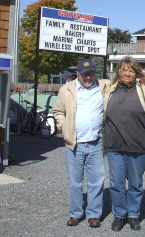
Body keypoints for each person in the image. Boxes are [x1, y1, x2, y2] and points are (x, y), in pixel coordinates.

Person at [103, 56, 145, 231]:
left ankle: (133, 215)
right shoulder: (110, 89)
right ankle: (119, 215)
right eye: (123, 70)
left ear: (136, 72)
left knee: (135, 183)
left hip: (138, 145)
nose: (127, 73)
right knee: (116, 183)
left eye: (130, 70)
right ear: (118, 72)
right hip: (114, 145)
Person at [53, 59, 110, 228]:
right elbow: (58, 111)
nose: (88, 77)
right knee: (75, 181)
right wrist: (63, 128)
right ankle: (76, 213)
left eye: (91, 73)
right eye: (85, 74)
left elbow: (124, 79)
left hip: (96, 142)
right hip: (74, 144)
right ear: (77, 74)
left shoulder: (103, 87)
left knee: (97, 181)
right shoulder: (67, 90)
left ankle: (94, 214)